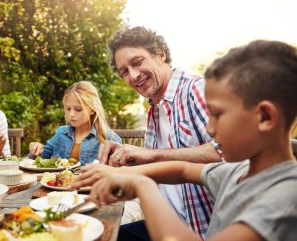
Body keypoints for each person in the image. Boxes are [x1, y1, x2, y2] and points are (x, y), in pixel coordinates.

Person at [84, 40, 297, 241]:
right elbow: (183, 170)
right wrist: (122, 174)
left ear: (265, 117)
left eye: (217, 115)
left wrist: (142, 185)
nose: (210, 129)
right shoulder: (239, 172)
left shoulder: (286, 197)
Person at [94, 26, 221, 237]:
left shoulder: (196, 90)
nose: (133, 75)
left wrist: (151, 155)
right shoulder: (154, 110)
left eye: (137, 62)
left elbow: (225, 154)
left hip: (202, 231)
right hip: (165, 226)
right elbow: (158, 167)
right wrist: (132, 158)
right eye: (125, 71)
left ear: (160, 54)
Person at [29, 81, 121, 165]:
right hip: (61, 182)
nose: (71, 114)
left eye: (78, 109)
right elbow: (41, 158)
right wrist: (36, 149)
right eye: (68, 109)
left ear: (92, 109)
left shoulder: (109, 138)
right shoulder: (61, 133)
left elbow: (118, 172)